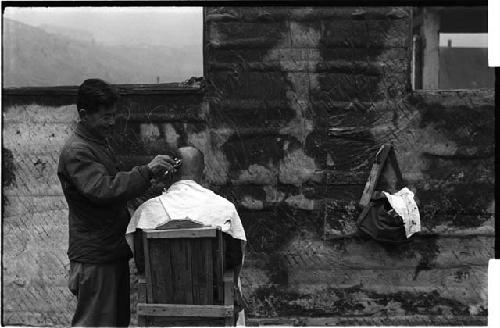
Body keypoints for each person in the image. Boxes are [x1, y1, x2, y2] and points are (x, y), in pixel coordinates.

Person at [57, 79, 177, 327]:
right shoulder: (77, 151)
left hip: (110, 250)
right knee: (95, 323)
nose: (112, 122)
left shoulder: (97, 142)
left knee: (114, 322)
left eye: (114, 115)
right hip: (95, 256)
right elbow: (103, 189)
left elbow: (114, 187)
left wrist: (151, 181)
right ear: (84, 114)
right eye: (106, 116)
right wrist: (146, 171)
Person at [126, 146, 246, 325]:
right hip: (212, 301)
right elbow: (235, 259)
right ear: (202, 171)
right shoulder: (223, 208)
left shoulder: (147, 211)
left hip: (161, 301)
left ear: (170, 170)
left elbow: (141, 262)